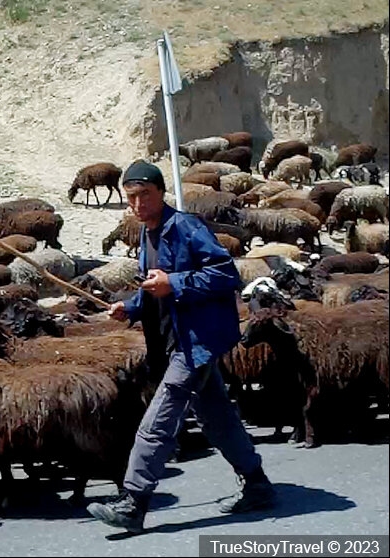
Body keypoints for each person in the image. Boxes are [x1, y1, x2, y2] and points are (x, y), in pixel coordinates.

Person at [86, 160, 275, 533]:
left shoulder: (186, 227)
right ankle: (257, 484)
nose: (137, 204)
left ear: (160, 193)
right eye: (131, 198)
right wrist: (132, 306)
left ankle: (134, 500)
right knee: (217, 417)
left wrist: (174, 281)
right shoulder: (147, 234)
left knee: (158, 419)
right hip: (172, 342)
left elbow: (225, 274)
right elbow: (153, 288)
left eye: (145, 195)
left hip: (195, 343)